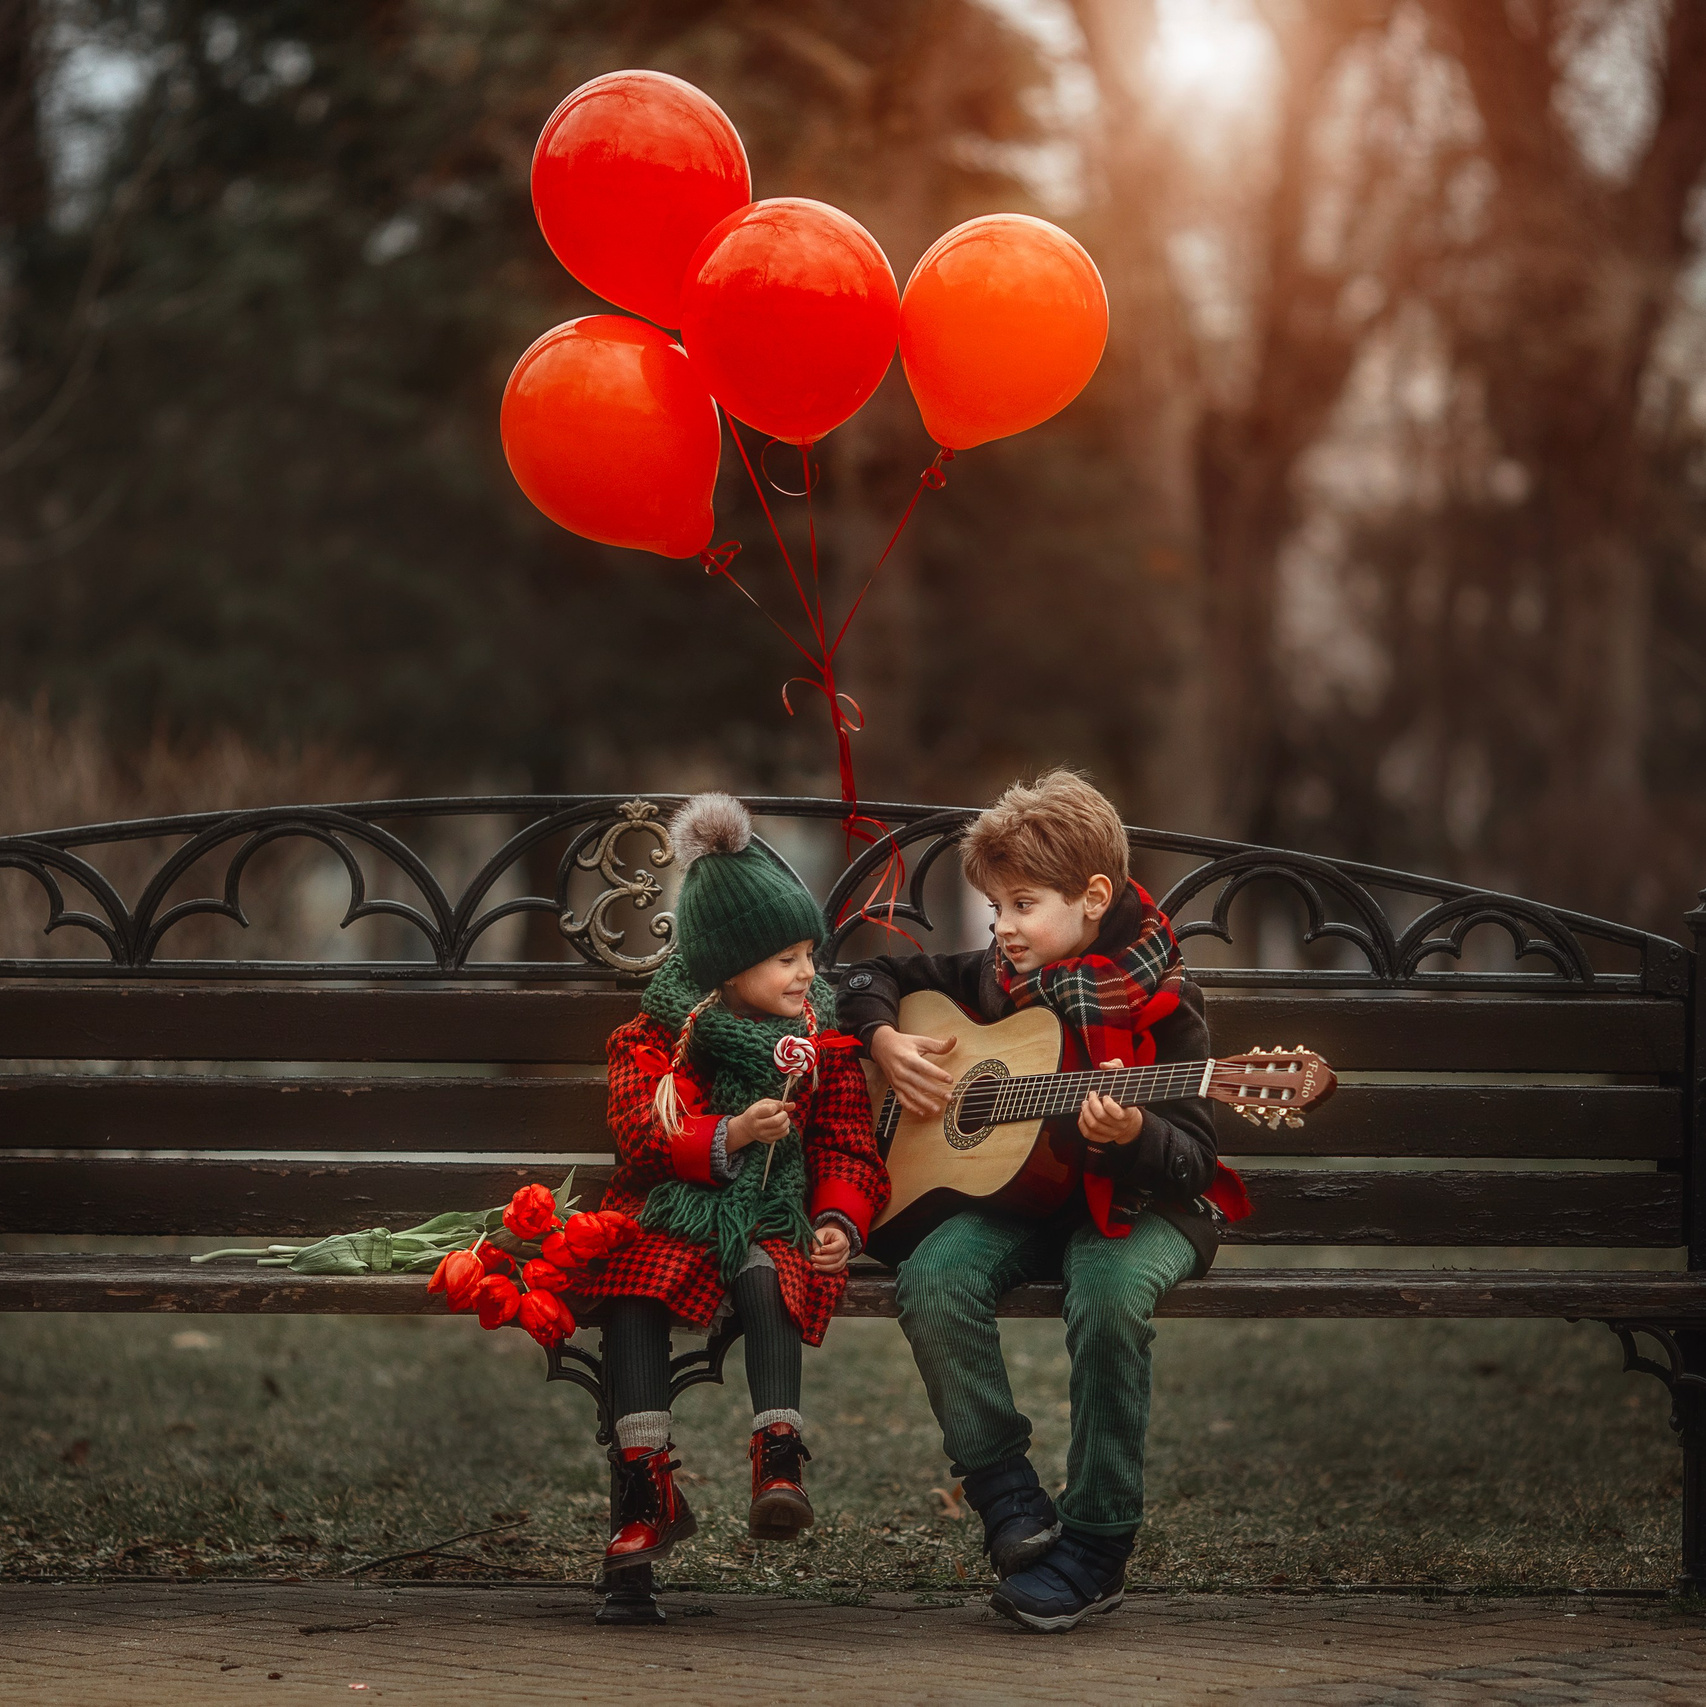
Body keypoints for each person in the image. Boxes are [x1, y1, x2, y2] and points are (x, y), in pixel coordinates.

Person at [838, 769, 1247, 1632]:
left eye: (1023, 904)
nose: (1004, 928)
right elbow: (872, 973)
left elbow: (1194, 1162)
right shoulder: (998, 978)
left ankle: (1096, 1547)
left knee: (1105, 1292)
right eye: (995, 908)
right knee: (935, 1277)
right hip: (1029, 1201)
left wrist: (1130, 1132)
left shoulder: (1169, 1003)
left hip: (1142, 1204)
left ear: (1093, 896)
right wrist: (885, 1037)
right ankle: (1007, 1497)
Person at [580, 792, 889, 1583]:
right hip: (668, 1214)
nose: (807, 973)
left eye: (808, 955)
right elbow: (641, 1133)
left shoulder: (817, 1044)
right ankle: (646, 1484)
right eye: (786, 958)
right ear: (726, 969)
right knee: (629, 1283)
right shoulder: (654, 1037)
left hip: (772, 1215)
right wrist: (733, 1133)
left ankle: (778, 1460)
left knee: (766, 1268)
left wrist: (839, 1219)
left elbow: (850, 1144)